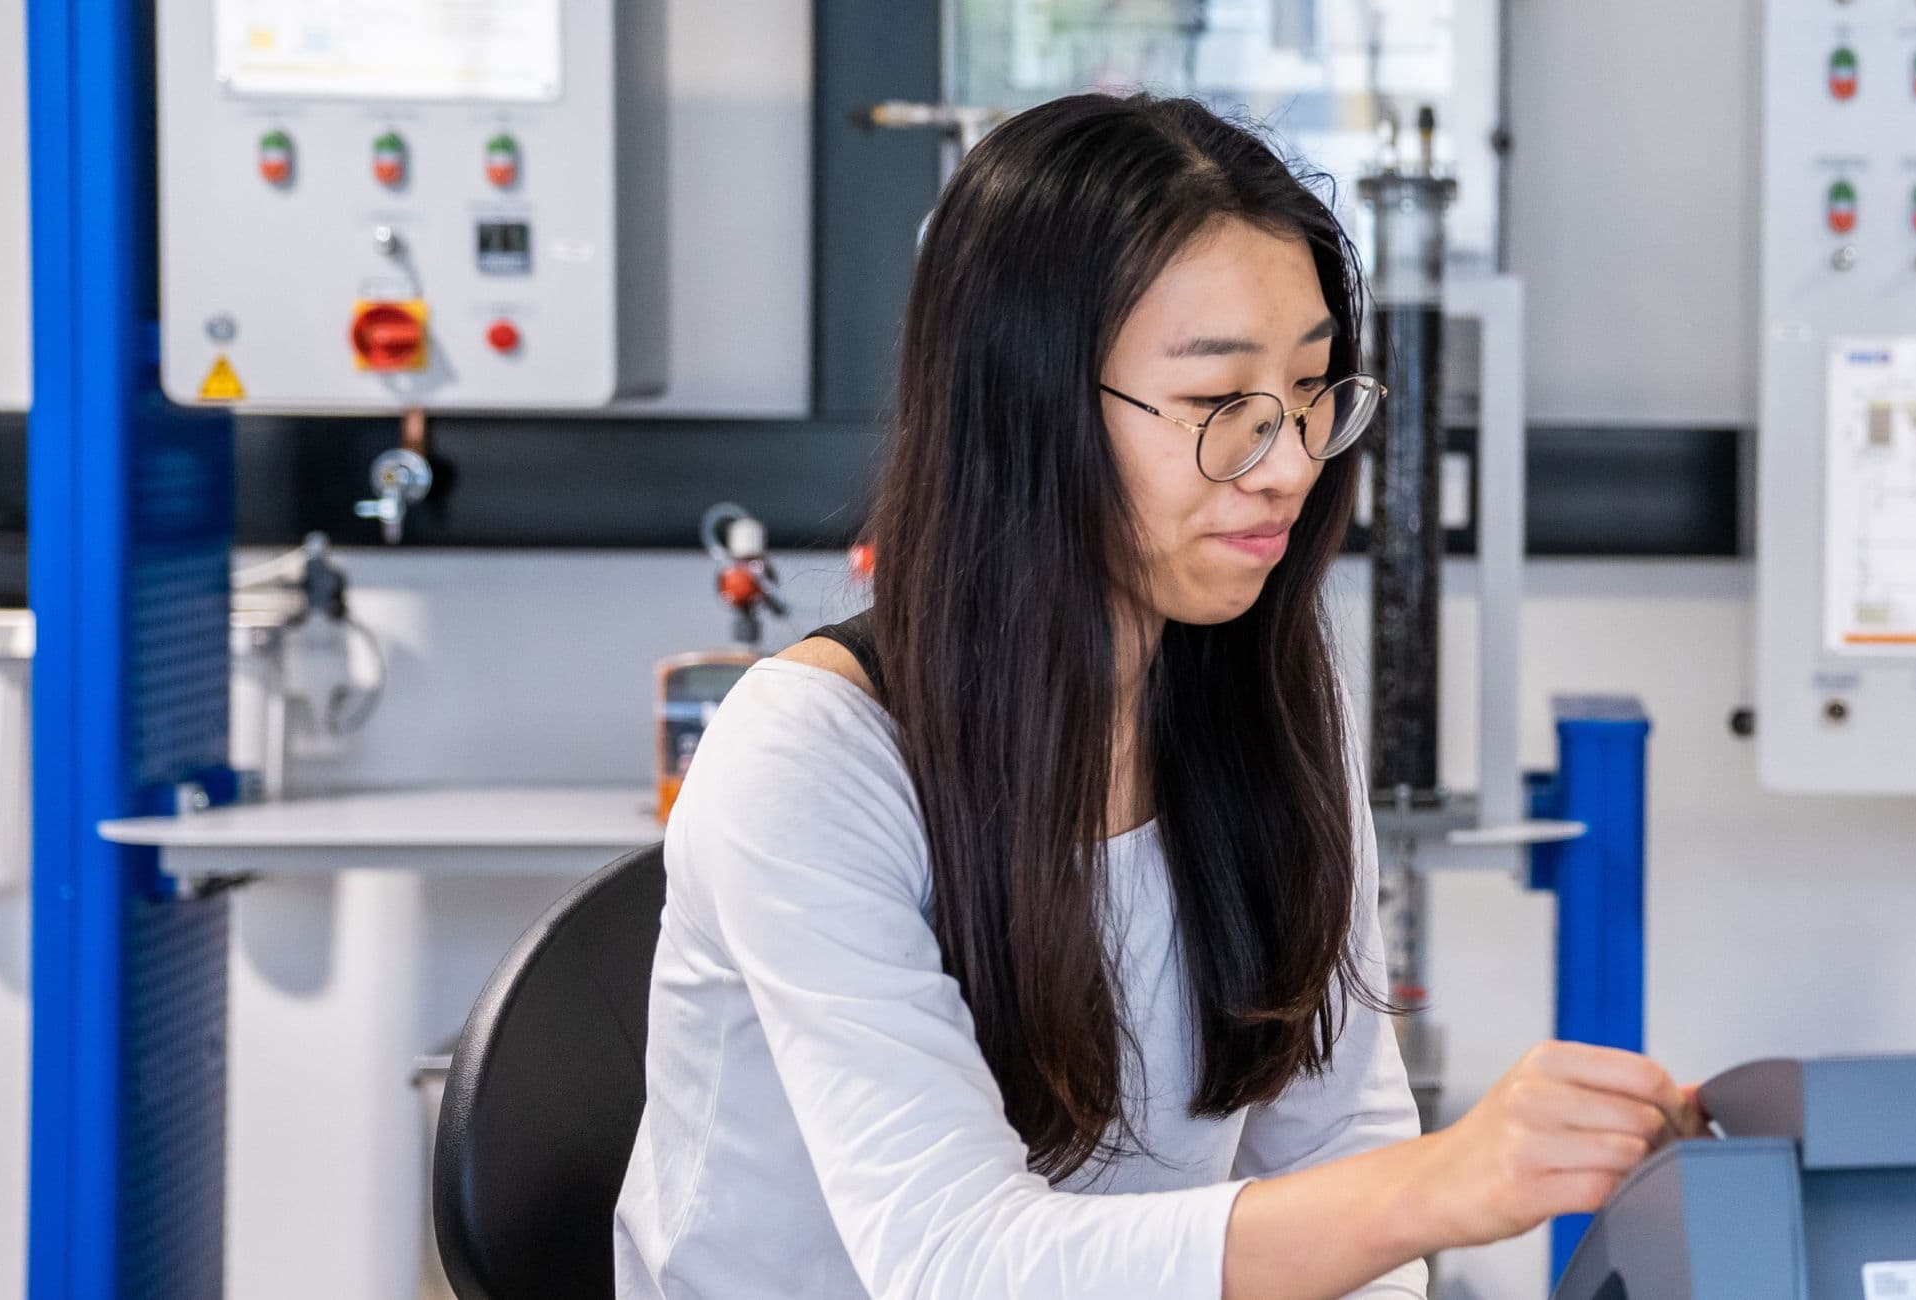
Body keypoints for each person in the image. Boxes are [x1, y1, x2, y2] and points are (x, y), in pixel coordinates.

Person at [614, 95, 1688, 1299]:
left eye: (1314, 391)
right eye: (1219, 403)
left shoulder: (1265, 707)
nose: (1286, 462)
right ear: (1029, 406)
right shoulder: (812, 753)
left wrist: (1405, 1211)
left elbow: (1337, 1141)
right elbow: (956, 1262)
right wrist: (1442, 1185)